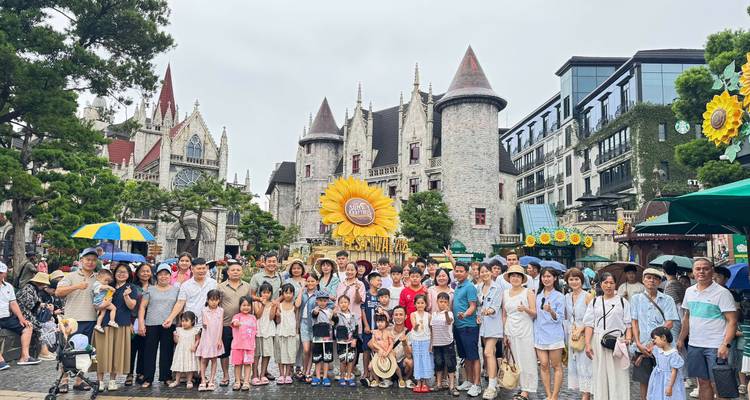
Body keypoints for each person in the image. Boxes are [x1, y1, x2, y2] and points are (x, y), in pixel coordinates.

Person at [677, 258, 737, 400]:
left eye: (705, 268)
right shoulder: (689, 291)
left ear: (712, 271)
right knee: (703, 383)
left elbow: (732, 321)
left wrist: (725, 344)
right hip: (695, 345)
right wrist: (681, 339)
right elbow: (687, 317)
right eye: (698, 269)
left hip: (716, 346)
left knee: (720, 384)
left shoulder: (722, 293)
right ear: (693, 272)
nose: (701, 272)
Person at [631, 268, 680, 400]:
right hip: (642, 346)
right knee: (644, 380)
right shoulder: (636, 299)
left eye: (655, 278)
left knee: (665, 378)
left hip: (663, 348)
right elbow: (634, 323)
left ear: (659, 281)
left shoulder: (667, 299)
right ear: (643, 280)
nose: (652, 280)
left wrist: (653, 343)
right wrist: (638, 343)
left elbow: (669, 323)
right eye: (648, 277)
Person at [55, 248, 98, 392]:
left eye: (93, 260)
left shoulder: (98, 278)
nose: (90, 262)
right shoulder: (70, 276)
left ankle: (79, 381)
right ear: (81, 260)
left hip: (91, 319)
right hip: (71, 320)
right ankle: (64, 380)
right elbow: (58, 292)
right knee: (67, 351)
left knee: (85, 352)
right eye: (88, 259)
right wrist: (77, 286)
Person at [583, 272, 632, 400]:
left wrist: (628, 339)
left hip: (618, 341)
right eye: (606, 282)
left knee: (619, 373)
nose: (609, 286)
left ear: (616, 284)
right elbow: (589, 325)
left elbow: (628, 325)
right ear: (601, 284)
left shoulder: (622, 302)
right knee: (600, 373)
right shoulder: (594, 302)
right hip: (598, 340)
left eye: (611, 283)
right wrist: (587, 344)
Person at [93, 263, 137, 392]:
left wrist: (126, 295)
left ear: (129, 274)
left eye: (124, 272)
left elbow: (131, 306)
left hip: (121, 324)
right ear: (114, 273)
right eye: (118, 271)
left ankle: (112, 380)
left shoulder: (131, 288)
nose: (121, 274)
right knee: (101, 352)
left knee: (116, 354)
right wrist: (101, 306)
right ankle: (100, 381)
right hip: (104, 323)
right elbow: (96, 303)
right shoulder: (107, 286)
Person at [137, 263, 178, 388]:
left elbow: (179, 306)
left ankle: (166, 377)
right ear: (157, 276)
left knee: (167, 351)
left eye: (166, 274)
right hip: (151, 323)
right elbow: (142, 307)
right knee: (149, 351)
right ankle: (148, 378)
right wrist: (141, 323)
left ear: (170, 276)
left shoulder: (176, 289)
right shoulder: (150, 289)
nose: (163, 277)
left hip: (169, 324)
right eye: (161, 274)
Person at [503, 264, 538, 400]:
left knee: (527, 359)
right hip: (511, 329)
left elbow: (534, 313)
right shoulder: (505, 293)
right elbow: (505, 314)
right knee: (515, 359)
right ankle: (518, 385)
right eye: (513, 276)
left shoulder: (528, 292)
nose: (515, 278)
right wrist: (505, 333)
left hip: (525, 329)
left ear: (522, 278)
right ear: (509, 278)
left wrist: (525, 309)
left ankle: (527, 389)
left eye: (518, 276)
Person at [217, 259, 251, 387]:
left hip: (242, 326)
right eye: (233, 270)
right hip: (226, 324)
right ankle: (225, 375)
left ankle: (240, 376)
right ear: (228, 272)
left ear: (242, 272)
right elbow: (217, 305)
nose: (235, 272)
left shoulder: (247, 286)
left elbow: (250, 304)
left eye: (238, 270)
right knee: (225, 352)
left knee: (241, 351)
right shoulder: (220, 287)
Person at [0, 261, 39, 369]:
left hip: (6, 316)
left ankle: (25, 356)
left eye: (1, 273)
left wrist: (21, 318)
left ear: (5, 274)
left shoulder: (8, 287)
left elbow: (13, 303)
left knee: (28, 326)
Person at [535, 268, 565, 400]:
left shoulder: (559, 296)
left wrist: (551, 311)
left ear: (555, 278)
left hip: (554, 335)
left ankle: (555, 395)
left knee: (556, 365)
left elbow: (560, 317)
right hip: (539, 335)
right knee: (544, 364)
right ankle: (548, 394)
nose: (546, 279)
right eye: (544, 276)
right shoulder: (538, 295)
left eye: (549, 276)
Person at [453, 262, 482, 398]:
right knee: (465, 356)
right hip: (458, 326)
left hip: (469, 326)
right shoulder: (458, 286)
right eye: (456, 270)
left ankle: (477, 384)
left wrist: (464, 314)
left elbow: (473, 306)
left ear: (466, 272)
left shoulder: (469, 287)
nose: (458, 273)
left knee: (474, 356)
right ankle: (469, 381)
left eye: (460, 271)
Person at [565, 268, 594, 400]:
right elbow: (566, 316)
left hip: (585, 333)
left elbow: (592, 317)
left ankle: (586, 394)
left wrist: (581, 329)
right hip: (572, 334)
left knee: (586, 364)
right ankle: (582, 392)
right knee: (576, 364)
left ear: (582, 280)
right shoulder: (566, 297)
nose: (574, 282)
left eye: (577, 279)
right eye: (571, 279)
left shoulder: (588, 296)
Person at [163, 257, 217, 327]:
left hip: (208, 323)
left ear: (207, 268)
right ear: (192, 269)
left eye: (203, 268)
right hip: (190, 323)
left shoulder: (213, 283)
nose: (201, 271)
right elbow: (180, 303)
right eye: (199, 269)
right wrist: (170, 318)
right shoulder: (185, 285)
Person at [476, 264, 503, 399]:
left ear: (491, 273)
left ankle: (491, 386)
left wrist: (488, 311)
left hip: (494, 325)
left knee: (487, 352)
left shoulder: (497, 288)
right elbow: (477, 307)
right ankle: (495, 382)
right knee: (489, 354)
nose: (484, 273)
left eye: (487, 271)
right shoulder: (478, 288)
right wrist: (478, 316)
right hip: (483, 326)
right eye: (482, 272)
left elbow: (496, 307)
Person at [16, 272, 56, 361]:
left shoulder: (32, 288)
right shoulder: (28, 289)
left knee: (46, 324)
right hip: (24, 314)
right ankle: (43, 351)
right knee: (40, 325)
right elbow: (30, 305)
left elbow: (34, 304)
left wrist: (43, 305)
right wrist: (41, 305)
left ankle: (45, 350)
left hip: (28, 313)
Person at [128, 263, 152, 386]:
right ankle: (129, 373)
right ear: (137, 273)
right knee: (132, 349)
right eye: (142, 271)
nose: (145, 273)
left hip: (148, 321)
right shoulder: (132, 287)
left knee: (144, 349)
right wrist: (128, 322)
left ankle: (140, 372)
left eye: (148, 271)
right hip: (133, 320)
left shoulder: (153, 287)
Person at [195, 289, 224, 391]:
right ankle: (203, 380)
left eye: (216, 300)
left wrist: (219, 339)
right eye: (211, 300)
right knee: (203, 359)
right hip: (206, 338)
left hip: (215, 338)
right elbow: (204, 325)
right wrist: (204, 323)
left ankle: (211, 380)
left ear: (219, 300)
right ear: (207, 300)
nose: (214, 302)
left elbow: (220, 325)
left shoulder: (221, 310)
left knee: (214, 360)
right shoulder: (204, 310)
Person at [647, 326, 686, 400]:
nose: (654, 341)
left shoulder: (673, 354)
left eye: (655, 338)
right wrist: (653, 343)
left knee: (669, 396)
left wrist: (670, 386)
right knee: (658, 395)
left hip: (668, 380)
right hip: (658, 378)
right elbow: (649, 348)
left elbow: (674, 371)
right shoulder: (658, 350)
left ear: (663, 337)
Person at [431, 291, 458, 396]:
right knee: (438, 363)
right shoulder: (433, 314)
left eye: (445, 302)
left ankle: (452, 386)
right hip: (437, 343)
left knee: (450, 364)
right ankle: (438, 384)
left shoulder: (450, 313)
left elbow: (448, 321)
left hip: (448, 343)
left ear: (448, 303)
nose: (442, 303)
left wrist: (446, 312)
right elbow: (432, 329)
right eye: (440, 301)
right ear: (437, 302)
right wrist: (431, 344)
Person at [231, 295, 257, 391]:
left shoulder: (253, 318)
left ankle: (246, 381)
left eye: (248, 305)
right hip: (237, 346)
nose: (246, 307)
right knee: (237, 364)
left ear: (251, 306)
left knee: (247, 364)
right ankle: (238, 381)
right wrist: (237, 323)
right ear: (240, 306)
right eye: (243, 305)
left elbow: (255, 331)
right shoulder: (237, 316)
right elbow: (234, 322)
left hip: (249, 346)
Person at [252, 282, 277, 385]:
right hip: (258, 330)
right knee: (256, 354)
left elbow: (271, 317)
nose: (266, 294)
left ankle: (263, 374)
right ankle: (254, 374)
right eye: (264, 292)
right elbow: (257, 315)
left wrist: (274, 307)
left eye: (268, 292)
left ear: (271, 293)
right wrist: (262, 305)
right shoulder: (255, 303)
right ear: (260, 292)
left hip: (269, 330)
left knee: (266, 354)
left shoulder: (272, 303)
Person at [274, 283, 299, 385]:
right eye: (286, 292)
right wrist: (278, 315)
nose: (288, 295)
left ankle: (288, 374)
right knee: (280, 354)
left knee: (290, 354)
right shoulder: (278, 305)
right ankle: (281, 374)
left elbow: (297, 320)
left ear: (293, 294)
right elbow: (278, 321)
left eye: (290, 293)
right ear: (282, 293)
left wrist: (297, 331)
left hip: (291, 333)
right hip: (280, 332)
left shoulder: (295, 306)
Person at [169, 311, 200, 389]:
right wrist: (175, 336)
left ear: (192, 321)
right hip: (181, 351)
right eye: (182, 321)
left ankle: (189, 380)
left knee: (190, 366)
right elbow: (176, 341)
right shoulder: (179, 330)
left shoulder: (195, 330)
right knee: (179, 366)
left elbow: (198, 339)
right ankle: (177, 380)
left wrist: (195, 346)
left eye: (186, 321)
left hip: (190, 351)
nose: (184, 323)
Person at [360, 272, 382, 386]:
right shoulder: (366, 294)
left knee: (377, 349)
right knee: (366, 350)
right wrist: (366, 325)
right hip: (368, 328)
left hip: (379, 329)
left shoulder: (380, 295)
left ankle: (377, 372)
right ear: (371, 281)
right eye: (378, 280)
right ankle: (365, 372)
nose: (380, 282)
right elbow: (362, 310)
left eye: (380, 280)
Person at [409, 294, 433, 393]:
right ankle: (418, 382)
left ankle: (425, 383)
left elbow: (431, 330)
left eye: (422, 303)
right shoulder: (413, 314)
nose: (420, 305)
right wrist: (417, 324)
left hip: (426, 340)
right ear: (415, 304)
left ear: (426, 304)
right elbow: (414, 326)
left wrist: (431, 344)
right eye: (418, 303)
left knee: (426, 360)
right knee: (417, 360)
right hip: (416, 340)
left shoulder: (429, 315)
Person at [300, 273, 321, 382]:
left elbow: (330, 304)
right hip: (303, 323)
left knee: (312, 349)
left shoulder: (319, 295)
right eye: (308, 281)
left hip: (314, 324)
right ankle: (304, 369)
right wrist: (301, 289)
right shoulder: (303, 294)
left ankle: (308, 371)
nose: (310, 283)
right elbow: (297, 305)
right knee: (306, 349)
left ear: (317, 282)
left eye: (313, 281)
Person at [311, 290, 334, 387]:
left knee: (326, 358)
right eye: (320, 300)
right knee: (317, 358)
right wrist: (316, 311)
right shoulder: (314, 310)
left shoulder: (330, 311)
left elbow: (334, 321)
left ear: (327, 301)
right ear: (317, 301)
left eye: (324, 300)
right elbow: (314, 315)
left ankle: (325, 376)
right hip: (318, 338)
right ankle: (317, 376)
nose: (322, 302)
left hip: (328, 338)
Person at [334, 294, 358, 386]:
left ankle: (349, 376)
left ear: (349, 303)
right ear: (339, 304)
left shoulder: (353, 315)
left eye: (345, 302)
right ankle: (342, 376)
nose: (343, 304)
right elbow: (333, 321)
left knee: (351, 359)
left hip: (351, 341)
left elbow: (356, 327)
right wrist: (334, 314)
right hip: (341, 341)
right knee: (343, 360)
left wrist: (355, 339)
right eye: (341, 303)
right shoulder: (337, 315)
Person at [368, 313, 394, 388]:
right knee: (370, 367)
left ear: (386, 323)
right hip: (378, 353)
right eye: (378, 322)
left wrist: (387, 352)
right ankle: (377, 380)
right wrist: (379, 349)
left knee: (392, 366)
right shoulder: (375, 332)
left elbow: (391, 344)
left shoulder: (388, 332)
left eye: (382, 322)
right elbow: (373, 343)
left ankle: (389, 380)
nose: (380, 324)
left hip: (387, 353)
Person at [663, 260, 686, 340]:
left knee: (675, 343)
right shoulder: (679, 283)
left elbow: (678, 305)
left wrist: (683, 322)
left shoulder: (670, 285)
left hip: (675, 320)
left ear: (664, 271)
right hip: (679, 318)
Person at [91, 268, 118, 333]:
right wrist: (109, 287)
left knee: (102, 314)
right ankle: (112, 321)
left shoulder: (103, 285)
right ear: (98, 277)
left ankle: (98, 325)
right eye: (105, 280)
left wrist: (111, 291)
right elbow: (101, 287)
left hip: (102, 301)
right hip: (100, 302)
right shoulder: (97, 284)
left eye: (108, 281)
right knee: (114, 308)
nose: (107, 282)